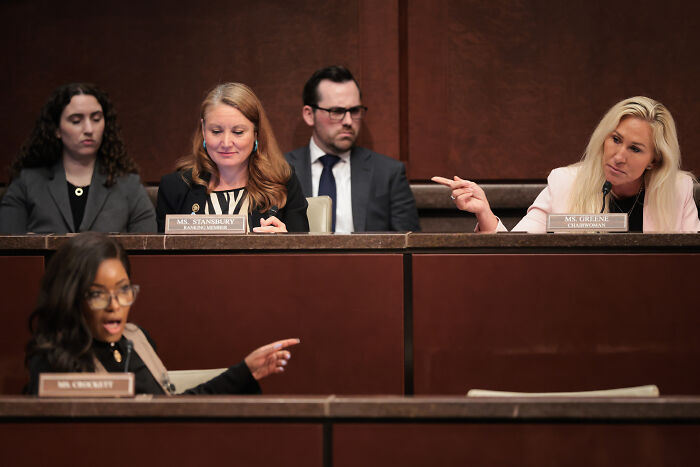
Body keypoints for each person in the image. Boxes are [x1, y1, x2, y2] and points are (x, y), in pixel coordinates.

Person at [25, 232, 300, 395]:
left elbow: (171, 411)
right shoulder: (52, 359)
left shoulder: (136, 341)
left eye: (123, 290)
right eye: (98, 294)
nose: (114, 305)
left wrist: (244, 372)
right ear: (72, 296)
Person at [433, 96, 700, 233]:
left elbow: (690, 265)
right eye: (615, 139)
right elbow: (517, 248)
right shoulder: (565, 183)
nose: (619, 156)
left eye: (635, 149)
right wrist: (484, 212)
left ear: (654, 160)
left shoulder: (678, 189)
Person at [0, 83, 156, 234]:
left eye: (96, 119)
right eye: (76, 121)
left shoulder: (128, 184)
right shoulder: (27, 183)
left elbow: (146, 250)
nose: (89, 129)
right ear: (56, 130)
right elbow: (11, 251)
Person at [156, 83, 309, 233]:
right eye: (216, 131)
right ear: (203, 129)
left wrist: (285, 243)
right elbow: (162, 255)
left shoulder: (282, 181)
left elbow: (303, 254)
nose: (226, 143)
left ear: (256, 133)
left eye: (238, 132)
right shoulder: (175, 187)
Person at [285, 66, 420, 232]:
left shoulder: (387, 173)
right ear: (309, 115)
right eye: (337, 111)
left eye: (355, 110)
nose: (348, 121)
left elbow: (410, 244)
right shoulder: (280, 170)